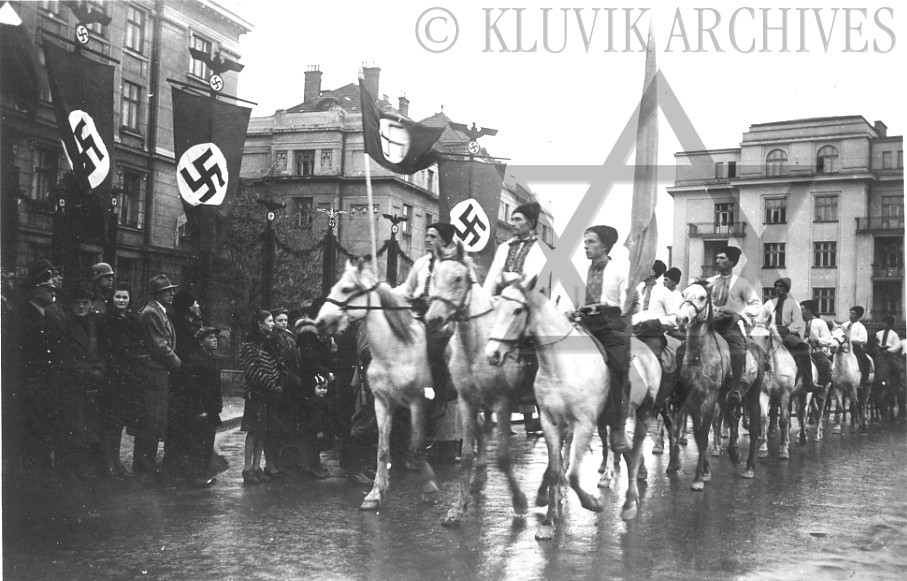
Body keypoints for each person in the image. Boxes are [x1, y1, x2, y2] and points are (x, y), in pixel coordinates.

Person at [482, 203, 548, 434]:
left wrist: (508, 279)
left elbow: (532, 278)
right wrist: (485, 301)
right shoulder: (504, 247)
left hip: (527, 303)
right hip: (503, 303)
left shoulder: (540, 248)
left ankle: (533, 402)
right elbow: (492, 277)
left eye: (518, 219)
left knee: (531, 348)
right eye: (512, 219)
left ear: (531, 223)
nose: (513, 223)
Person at [568, 224, 631, 453]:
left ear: (604, 246)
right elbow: (573, 301)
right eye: (585, 242)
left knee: (618, 368)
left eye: (591, 242)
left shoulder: (620, 271)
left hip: (610, 327)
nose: (585, 246)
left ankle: (618, 426)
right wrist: (572, 311)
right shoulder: (580, 271)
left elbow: (629, 304)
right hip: (584, 326)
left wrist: (609, 307)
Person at [15, 261, 66, 473]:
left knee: (45, 439)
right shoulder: (21, 317)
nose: (53, 292)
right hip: (30, 392)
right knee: (31, 442)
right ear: (35, 291)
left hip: (47, 390)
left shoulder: (47, 316)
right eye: (48, 288)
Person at [98, 281, 149, 480]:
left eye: (125, 297)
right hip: (113, 377)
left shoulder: (131, 320)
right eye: (118, 297)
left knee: (119, 422)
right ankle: (109, 464)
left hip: (128, 379)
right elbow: (111, 349)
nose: (121, 300)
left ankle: (117, 462)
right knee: (110, 422)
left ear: (130, 300)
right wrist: (135, 357)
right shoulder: (106, 321)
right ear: (112, 299)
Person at [135, 274, 181, 476]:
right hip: (153, 373)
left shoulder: (159, 311)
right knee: (151, 420)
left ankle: (147, 464)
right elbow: (160, 346)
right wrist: (179, 365)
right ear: (157, 294)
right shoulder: (151, 313)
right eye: (167, 291)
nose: (171, 294)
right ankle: (144, 466)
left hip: (160, 373)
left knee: (155, 420)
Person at [59, 286, 106, 478]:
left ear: (91, 304)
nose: (81, 306)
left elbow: (101, 350)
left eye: (85, 303)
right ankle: (74, 471)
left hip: (94, 382)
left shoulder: (94, 323)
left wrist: (100, 369)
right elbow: (66, 356)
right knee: (76, 427)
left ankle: (90, 467)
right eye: (77, 303)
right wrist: (88, 372)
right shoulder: (65, 324)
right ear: (71, 305)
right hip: (75, 383)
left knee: (93, 426)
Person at [706, 246, 762, 403]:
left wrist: (740, 315)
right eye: (717, 258)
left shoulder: (742, 283)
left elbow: (756, 304)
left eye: (722, 258)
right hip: (710, 325)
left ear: (732, 262)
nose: (717, 260)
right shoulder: (709, 283)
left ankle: (735, 388)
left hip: (730, 326)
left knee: (737, 351)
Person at [240, 310, 286, 485]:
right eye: (269, 321)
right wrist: (272, 386)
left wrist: (279, 380)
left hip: (267, 395)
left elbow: (277, 367)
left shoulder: (268, 343)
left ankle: (256, 467)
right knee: (253, 431)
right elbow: (253, 371)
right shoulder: (250, 346)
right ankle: (247, 468)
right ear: (260, 324)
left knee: (263, 431)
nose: (273, 324)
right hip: (256, 394)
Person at [178, 326, 223, 488]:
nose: (214, 340)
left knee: (207, 442)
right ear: (201, 342)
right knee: (198, 443)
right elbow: (191, 387)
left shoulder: (211, 358)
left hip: (210, 407)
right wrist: (199, 408)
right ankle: (195, 476)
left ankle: (203, 474)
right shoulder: (195, 360)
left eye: (215, 337)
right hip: (199, 407)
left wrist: (217, 405)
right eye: (210, 338)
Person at [761, 278, 818, 392]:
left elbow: (798, 322)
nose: (778, 289)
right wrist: (767, 328)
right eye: (776, 286)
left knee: (804, 348)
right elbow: (761, 319)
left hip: (787, 335)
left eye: (781, 286)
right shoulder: (769, 304)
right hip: (771, 334)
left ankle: (808, 381)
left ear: (786, 289)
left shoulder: (794, 304)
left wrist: (787, 330)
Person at [631, 259, 676, 360]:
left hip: (652, 336)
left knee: (651, 360)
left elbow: (675, 318)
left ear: (652, 272)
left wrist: (657, 322)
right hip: (633, 333)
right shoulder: (637, 290)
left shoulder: (664, 292)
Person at [800, 300, 835, 389]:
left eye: (802, 310)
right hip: (801, 352)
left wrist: (817, 341)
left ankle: (822, 388)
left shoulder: (819, 323)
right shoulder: (800, 323)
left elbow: (829, 340)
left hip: (815, 353)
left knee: (825, 365)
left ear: (808, 310)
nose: (800, 312)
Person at [842, 306, 871, 387]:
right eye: (850, 313)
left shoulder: (861, 327)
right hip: (843, 347)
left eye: (853, 314)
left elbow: (864, 340)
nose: (851, 315)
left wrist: (851, 339)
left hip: (855, 348)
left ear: (858, 316)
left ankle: (862, 381)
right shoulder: (844, 325)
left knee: (865, 361)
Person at [171, 290, 204, 360]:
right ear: (190, 307)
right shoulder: (178, 324)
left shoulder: (197, 322)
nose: (198, 305)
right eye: (196, 303)